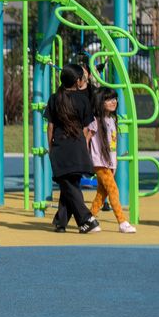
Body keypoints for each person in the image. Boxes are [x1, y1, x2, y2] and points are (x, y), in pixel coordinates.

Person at [45, 64, 100, 234]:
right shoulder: (83, 99)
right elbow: (85, 128)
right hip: (77, 145)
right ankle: (69, 221)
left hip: (60, 146)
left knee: (68, 184)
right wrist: (83, 145)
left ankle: (81, 220)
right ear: (77, 81)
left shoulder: (54, 99)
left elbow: (50, 127)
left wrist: (50, 147)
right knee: (71, 183)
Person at [87, 88, 136, 233]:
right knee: (113, 189)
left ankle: (89, 218)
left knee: (102, 194)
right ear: (100, 102)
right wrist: (86, 159)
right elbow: (87, 139)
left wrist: (114, 163)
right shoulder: (95, 121)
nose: (113, 102)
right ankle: (122, 221)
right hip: (98, 162)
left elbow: (113, 145)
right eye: (109, 99)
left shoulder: (112, 119)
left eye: (115, 98)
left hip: (108, 162)